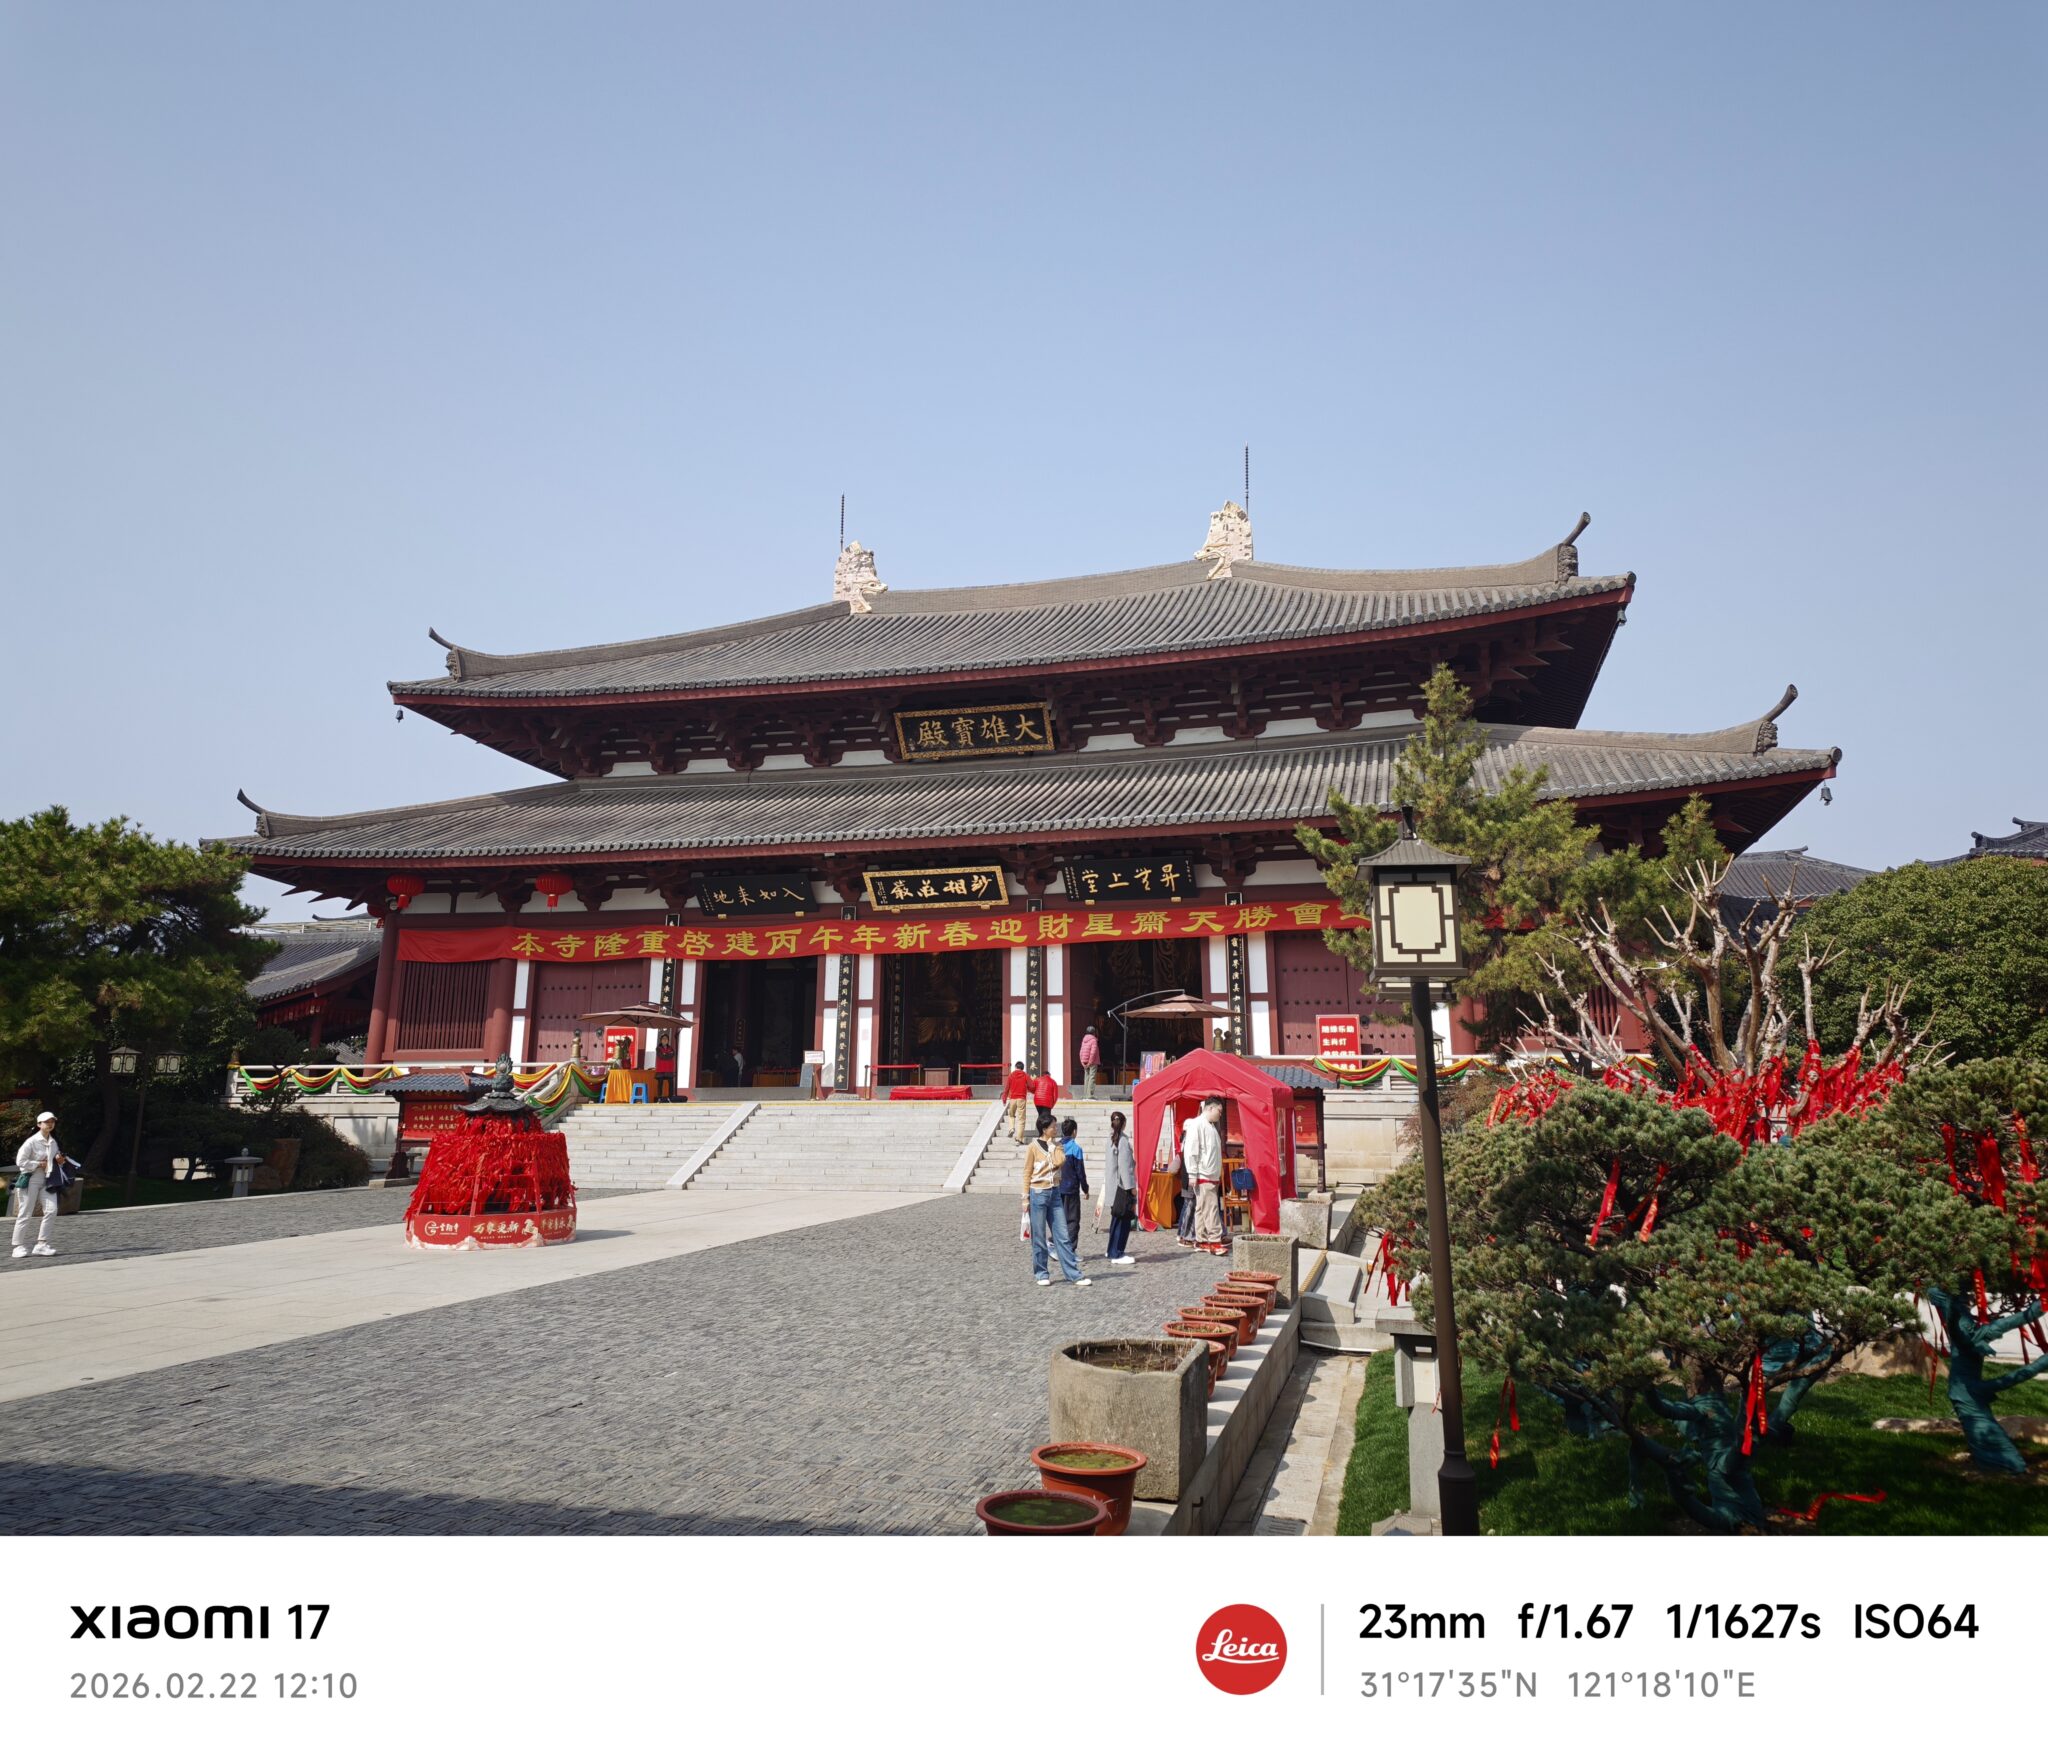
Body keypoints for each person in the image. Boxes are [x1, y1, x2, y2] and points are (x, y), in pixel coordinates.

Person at [1022, 1120, 1089, 1287]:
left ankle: (1073, 1274)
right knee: (1038, 1236)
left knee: (1063, 1235)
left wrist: (1052, 1146)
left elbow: (1060, 1161)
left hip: (1055, 1193)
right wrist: (1025, 1198)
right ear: (1044, 1129)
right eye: (1053, 1126)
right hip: (1038, 1193)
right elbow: (1027, 1172)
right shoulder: (1032, 1147)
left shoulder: (1058, 1145)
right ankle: (1041, 1273)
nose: (1056, 1128)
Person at [12, 1111, 64, 1259]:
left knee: (52, 1210)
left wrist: (59, 1160)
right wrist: (38, 1164)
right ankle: (18, 1246)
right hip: (31, 1179)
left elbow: (55, 1161)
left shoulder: (53, 1142)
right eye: (46, 1121)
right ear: (39, 1124)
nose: (50, 1124)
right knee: (25, 1213)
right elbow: (20, 1161)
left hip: (48, 1180)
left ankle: (42, 1244)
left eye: (52, 1121)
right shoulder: (31, 1142)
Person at [1182, 1094, 1228, 1255]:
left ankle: (1201, 1240)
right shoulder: (1197, 1124)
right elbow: (1191, 1151)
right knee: (1211, 1208)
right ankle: (1215, 1241)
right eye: (1219, 1111)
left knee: (1202, 1208)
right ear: (1210, 1108)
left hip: (1209, 1173)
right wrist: (1192, 1173)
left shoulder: (1210, 1126)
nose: (1220, 1114)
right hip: (1204, 1173)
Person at [1097, 1109, 1138, 1264]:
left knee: (1115, 1220)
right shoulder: (1123, 1141)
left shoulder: (1110, 1140)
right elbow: (1125, 1167)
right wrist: (1131, 1187)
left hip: (1113, 1185)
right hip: (1122, 1187)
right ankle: (1117, 1252)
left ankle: (1111, 1249)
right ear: (1124, 1123)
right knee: (1123, 1220)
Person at [1057, 1115, 1090, 1256]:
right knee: (1072, 1220)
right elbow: (1080, 1172)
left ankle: (1057, 1245)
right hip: (1071, 1189)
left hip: (1057, 1188)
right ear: (1074, 1131)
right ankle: (1070, 1251)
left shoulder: (1056, 1146)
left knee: (1059, 1219)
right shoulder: (1076, 1148)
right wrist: (1085, 1189)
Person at [1003, 1060, 1032, 1142]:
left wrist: (1004, 1098)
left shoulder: (1011, 1075)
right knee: (1021, 1119)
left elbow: (1007, 1088)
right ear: (1023, 1068)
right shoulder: (1025, 1075)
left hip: (1013, 1099)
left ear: (1015, 1067)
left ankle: (1011, 1128)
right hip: (1021, 1099)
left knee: (1011, 1115)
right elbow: (1032, 1086)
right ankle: (1019, 1138)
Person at [1077, 1026, 1101, 1099]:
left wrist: (1082, 1062)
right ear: (1094, 1032)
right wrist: (1090, 1062)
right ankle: (1090, 1095)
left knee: (1086, 1078)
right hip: (1092, 1062)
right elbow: (1093, 1052)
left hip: (1084, 1061)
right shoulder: (1093, 1040)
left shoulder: (1084, 1040)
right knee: (1092, 1077)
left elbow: (1081, 1051)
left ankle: (1085, 1095)